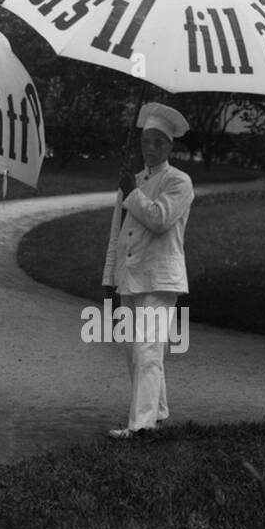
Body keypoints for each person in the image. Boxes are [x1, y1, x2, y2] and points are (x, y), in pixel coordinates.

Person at [102, 101, 194, 439]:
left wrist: (132, 192)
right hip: (130, 277)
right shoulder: (133, 181)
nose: (151, 148)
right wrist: (108, 279)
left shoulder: (179, 182)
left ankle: (140, 427)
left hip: (159, 279)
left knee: (148, 351)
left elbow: (159, 219)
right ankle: (158, 410)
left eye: (159, 142)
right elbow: (117, 234)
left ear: (170, 146)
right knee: (135, 351)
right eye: (146, 141)